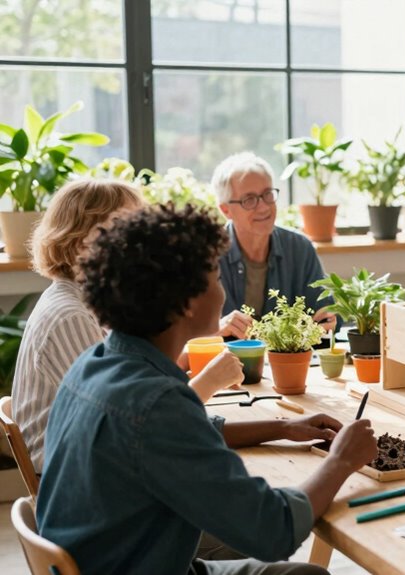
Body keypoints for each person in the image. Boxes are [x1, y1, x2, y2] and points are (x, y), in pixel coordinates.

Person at [36, 204, 378, 575]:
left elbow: (182, 436)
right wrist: (341, 461)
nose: (222, 293)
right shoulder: (158, 404)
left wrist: (281, 427)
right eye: (215, 277)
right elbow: (273, 531)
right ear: (185, 302)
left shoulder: (96, 362)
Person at [12, 179, 242, 472]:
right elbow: (132, 423)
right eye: (129, 231)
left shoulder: (85, 303)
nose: (143, 246)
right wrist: (209, 380)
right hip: (73, 473)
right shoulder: (72, 316)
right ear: (83, 240)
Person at [213, 151, 336, 335]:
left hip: (293, 362)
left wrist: (330, 319)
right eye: (250, 200)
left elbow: (327, 313)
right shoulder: (208, 254)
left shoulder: (300, 248)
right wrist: (218, 329)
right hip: (226, 360)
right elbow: (186, 335)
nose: (263, 207)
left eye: (267, 194)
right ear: (226, 210)